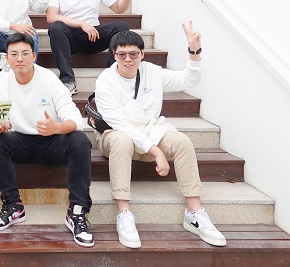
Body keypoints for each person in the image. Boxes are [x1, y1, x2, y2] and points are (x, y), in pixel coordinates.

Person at [94, 25, 227, 249]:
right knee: (122, 139)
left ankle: (194, 213)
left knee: (182, 141)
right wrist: (155, 151)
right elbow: (119, 124)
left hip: (149, 130)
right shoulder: (105, 80)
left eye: (133, 54)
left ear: (142, 54)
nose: (128, 59)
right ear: (114, 55)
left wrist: (194, 52)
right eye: (122, 54)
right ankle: (124, 213)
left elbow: (188, 80)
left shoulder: (152, 72)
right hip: (114, 135)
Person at [0, 33, 94, 247]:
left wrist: (56, 128)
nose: (19, 59)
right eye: (14, 54)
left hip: (52, 141)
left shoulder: (49, 80)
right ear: (6, 58)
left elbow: (76, 120)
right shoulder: (2, 84)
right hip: (21, 143)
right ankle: (13, 206)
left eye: (25, 53)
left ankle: (77, 211)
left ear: (34, 56)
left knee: (80, 141)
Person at [46, 0, 140, 94]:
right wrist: (81, 23)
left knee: (121, 26)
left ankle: (113, 78)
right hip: (70, 38)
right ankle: (68, 80)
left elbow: (119, 8)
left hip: (93, 36)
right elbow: (51, 17)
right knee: (56, 27)